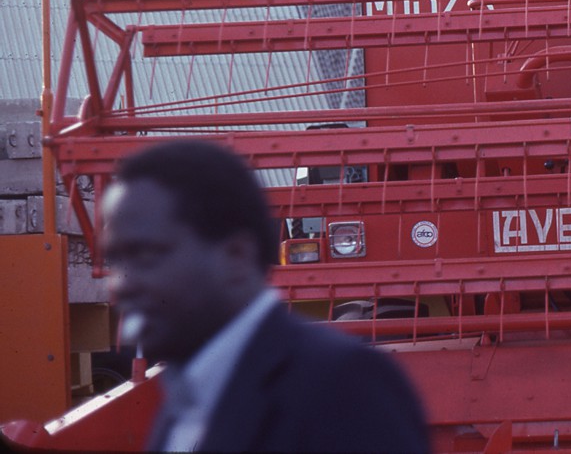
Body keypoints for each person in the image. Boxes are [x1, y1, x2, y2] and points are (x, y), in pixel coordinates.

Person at [101, 139, 429, 453]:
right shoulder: (181, 403)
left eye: (147, 255)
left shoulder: (342, 384)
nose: (122, 284)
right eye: (116, 260)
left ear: (236, 256)